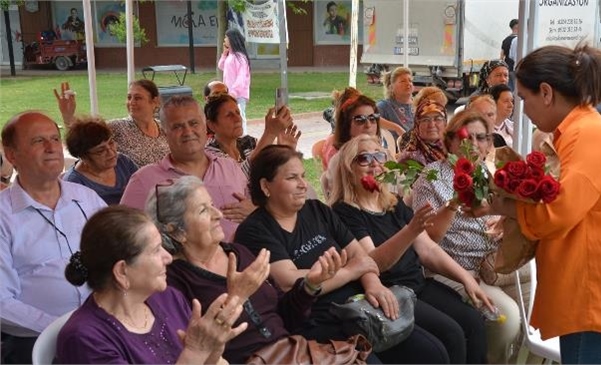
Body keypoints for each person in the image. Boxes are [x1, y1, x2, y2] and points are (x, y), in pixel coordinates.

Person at [490, 44, 601, 364]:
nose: (524, 110)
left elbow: (555, 214)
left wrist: (500, 206)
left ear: (546, 93)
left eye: (525, 98)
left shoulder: (589, 134)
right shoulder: (579, 130)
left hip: (596, 296)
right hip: (585, 291)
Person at [235, 145, 450, 364]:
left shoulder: (316, 210)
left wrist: (373, 284)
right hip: (319, 322)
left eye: (302, 176)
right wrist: (349, 272)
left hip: (361, 306)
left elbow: (360, 256)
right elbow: (290, 282)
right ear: (265, 186)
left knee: (433, 352)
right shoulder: (254, 230)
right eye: (292, 178)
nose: (303, 184)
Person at [145, 176, 368, 364]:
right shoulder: (172, 282)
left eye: (212, 204)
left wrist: (310, 284)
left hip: (293, 354)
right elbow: (200, 349)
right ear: (176, 232)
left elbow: (287, 317)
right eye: (203, 210)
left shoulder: (240, 253)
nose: (218, 214)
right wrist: (237, 297)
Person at [330, 134, 492, 364]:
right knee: (452, 334)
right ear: (348, 169)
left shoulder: (393, 203)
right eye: (364, 158)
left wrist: (465, 278)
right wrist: (411, 230)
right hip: (390, 292)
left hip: (418, 285)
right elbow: (373, 263)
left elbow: (428, 251)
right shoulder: (345, 212)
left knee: (474, 322)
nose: (375, 163)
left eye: (379, 156)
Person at [55, 205, 247, 364]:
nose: (168, 257)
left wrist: (213, 347)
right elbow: (196, 355)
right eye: (156, 250)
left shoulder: (169, 298)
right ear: (122, 271)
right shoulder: (85, 339)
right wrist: (196, 352)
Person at [411, 109, 530, 363]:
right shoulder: (431, 177)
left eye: (481, 138)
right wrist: (453, 202)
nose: (474, 145)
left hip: (498, 265)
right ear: (451, 141)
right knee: (507, 320)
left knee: (537, 315)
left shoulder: (490, 175)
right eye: (466, 138)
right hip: (456, 269)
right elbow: (427, 239)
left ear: (489, 144)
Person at [0, 111, 107, 364]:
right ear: (11, 155)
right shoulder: (3, 216)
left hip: (103, 330)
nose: (51, 148)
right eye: (38, 141)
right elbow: (2, 302)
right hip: (35, 342)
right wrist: (66, 329)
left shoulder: (87, 199)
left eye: (55, 139)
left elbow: (123, 251)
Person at [120, 95, 254, 241]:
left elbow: (258, 209)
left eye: (193, 123)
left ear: (205, 127)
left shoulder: (230, 168)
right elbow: (123, 236)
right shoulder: (144, 180)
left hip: (241, 259)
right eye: (177, 126)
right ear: (165, 133)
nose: (188, 131)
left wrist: (254, 211)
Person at [55, 80, 170, 168]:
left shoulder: (165, 128)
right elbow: (82, 138)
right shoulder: (118, 127)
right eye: (129, 97)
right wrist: (68, 115)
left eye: (138, 98)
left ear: (154, 102)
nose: (131, 102)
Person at [204, 92, 298, 179]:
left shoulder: (250, 143)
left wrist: (286, 150)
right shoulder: (210, 154)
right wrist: (270, 133)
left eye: (238, 112)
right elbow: (238, 177)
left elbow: (273, 175)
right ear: (212, 125)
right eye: (229, 115)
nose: (237, 119)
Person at [62, 116, 138, 205]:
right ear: (84, 157)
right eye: (100, 150)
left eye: (111, 143)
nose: (110, 152)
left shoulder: (123, 162)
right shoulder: (75, 183)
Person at [218, 28, 251, 136]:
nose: (224, 40)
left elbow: (241, 77)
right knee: (231, 116)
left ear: (232, 39)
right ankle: (236, 137)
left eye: (226, 37)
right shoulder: (230, 55)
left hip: (238, 94)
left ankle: (243, 137)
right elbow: (221, 66)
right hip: (229, 94)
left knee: (240, 116)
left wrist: (234, 92)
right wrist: (224, 53)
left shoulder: (240, 57)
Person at [398, 86, 449, 153]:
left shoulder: (452, 139)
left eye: (437, 118)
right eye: (426, 119)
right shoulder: (408, 143)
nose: (432, 124)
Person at [398, 100, 448, 166]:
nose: (431, 125)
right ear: (417, 125)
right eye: (425, 120)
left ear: (445, 123)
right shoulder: (410, 157)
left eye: (437, 119)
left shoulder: (453, 149)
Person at [377, 67, 415, 131]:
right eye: (403, 81)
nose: (408, 83)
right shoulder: (386, 105)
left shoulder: (418, 104)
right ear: (391, 87)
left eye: (410, 80)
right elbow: (370, 116)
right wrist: (396, 128)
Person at [501, 19, 518, 91]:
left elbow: (501, 56)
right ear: (516, 27)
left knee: (509, 89)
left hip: (507, 68)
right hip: (516, 67)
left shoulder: (505, 40)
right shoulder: (519, 40)